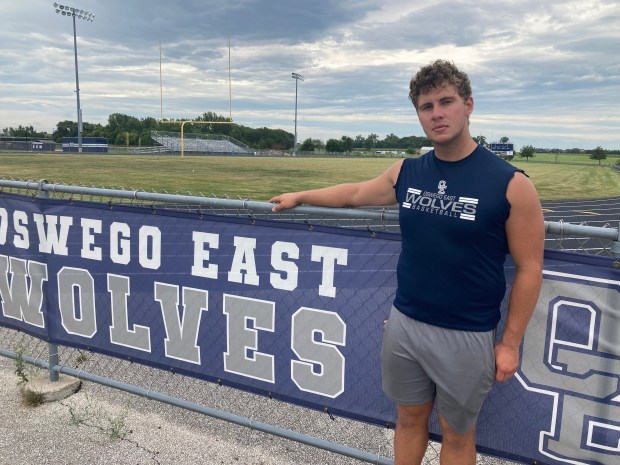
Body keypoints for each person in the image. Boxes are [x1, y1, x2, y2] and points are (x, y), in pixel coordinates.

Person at [270, 59, 544, 465]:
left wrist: (509, 343)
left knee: (456, 434)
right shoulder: (408, 172)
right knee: (408, 418)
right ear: (418, 113)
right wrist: (301, 196)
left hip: (467, 333)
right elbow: (355, 194)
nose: (437, 113)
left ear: (468, 105)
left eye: (446, 102)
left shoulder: (511, 183)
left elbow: (529, 268)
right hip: (406, 323)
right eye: (426, 106)